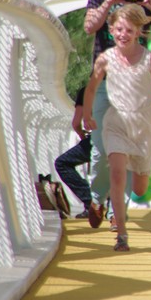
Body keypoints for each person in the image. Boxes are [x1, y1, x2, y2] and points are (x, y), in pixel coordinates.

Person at [83, 5, 151, 252]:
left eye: (129, 30)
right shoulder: (105, 59)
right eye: (119, 29)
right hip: (116, 122)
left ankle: (131, 188)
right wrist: (87, 114)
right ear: (111, 30)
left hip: (145, 124)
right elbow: (91, 88)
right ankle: (121, 234)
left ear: (138, 32)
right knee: (117, 172)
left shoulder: (149, 59)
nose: (123, 34)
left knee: (139, 187)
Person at [83, 0, 151, 229]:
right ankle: (97, 198)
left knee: (127, 150)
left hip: (134, 86)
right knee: (102, 148)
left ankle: (117, 211)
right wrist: (112, 1)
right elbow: (89, 27)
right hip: (106, 81)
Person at [53, 86, 93, 217]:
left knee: (62, 163)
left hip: (96, 141)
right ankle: (113, 208)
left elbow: (76, 123)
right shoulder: (119, 87)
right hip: (119, 140)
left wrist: (82, 137)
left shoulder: (87, 90)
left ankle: (90, 201)